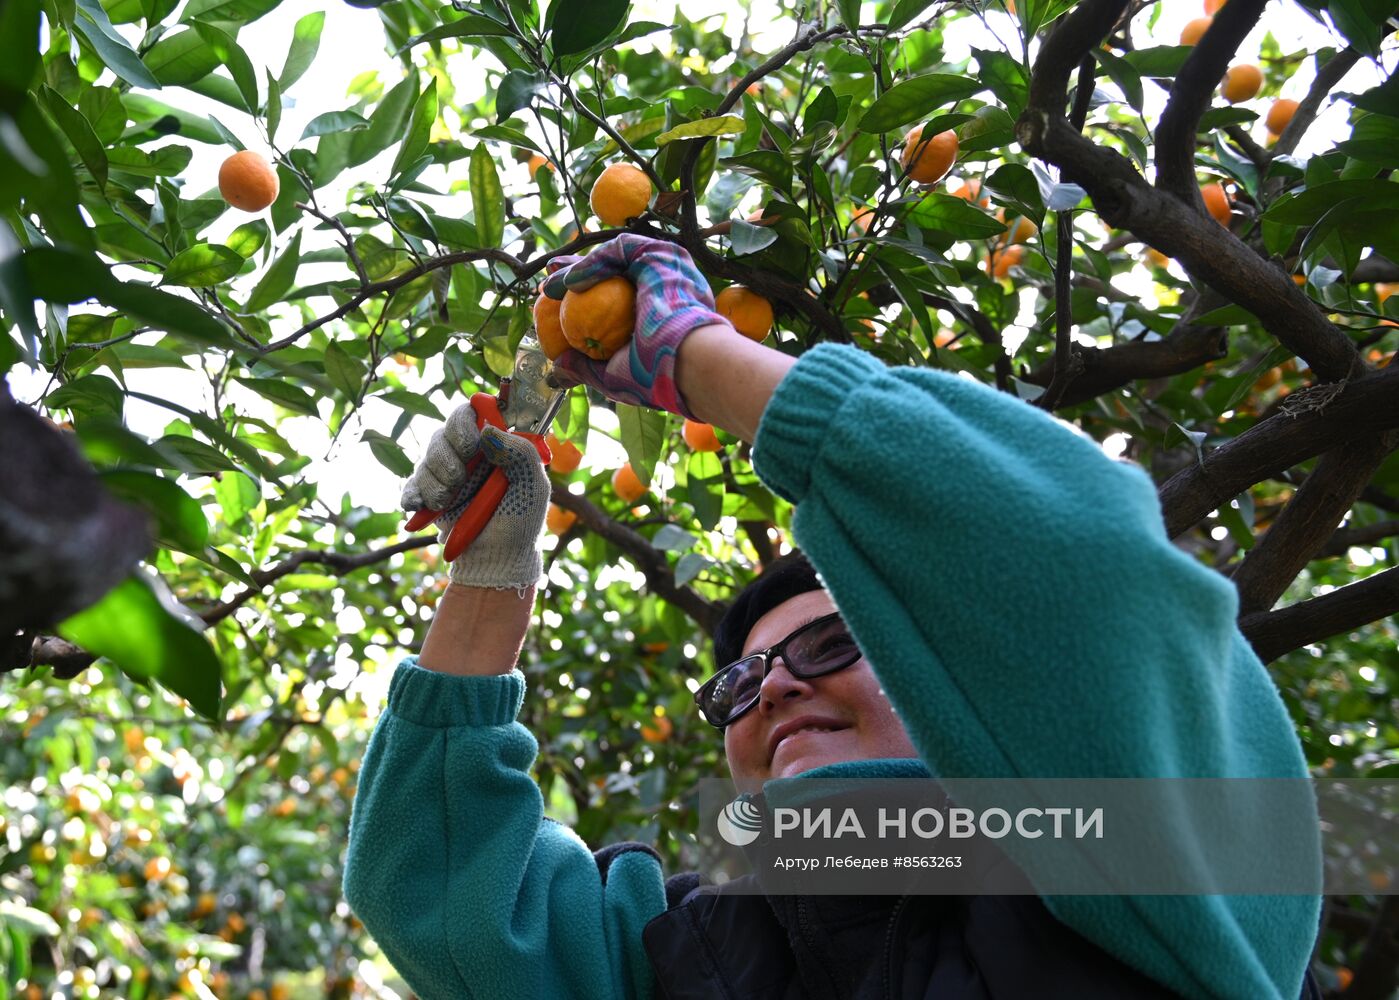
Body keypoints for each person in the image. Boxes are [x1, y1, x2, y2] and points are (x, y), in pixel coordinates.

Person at [342, 236, 1322, 999]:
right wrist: (493, 571)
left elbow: (1088, 571)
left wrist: (701, 358)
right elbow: (445, 892)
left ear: (948, 676)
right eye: (740, 682)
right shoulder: (693, 949)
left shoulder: (1153, 874)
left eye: (830, 642)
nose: (773, 685)